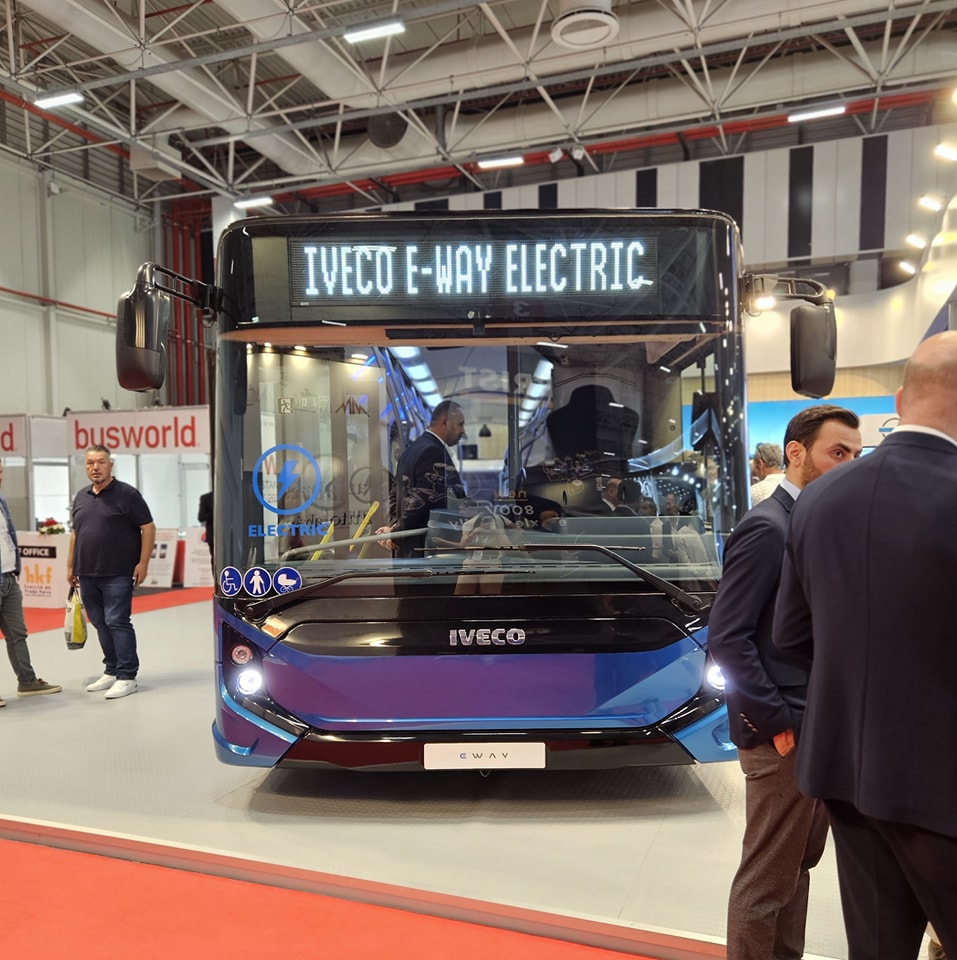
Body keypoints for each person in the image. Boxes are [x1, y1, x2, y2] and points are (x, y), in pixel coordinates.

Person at [773, 332, 957, 960]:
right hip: (943, 776)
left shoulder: (819, 497)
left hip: (847, 770)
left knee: (877, 948)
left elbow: (790, 634)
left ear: (901, 401)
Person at [707, 404, 863, 960]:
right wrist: (777, 723)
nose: (849, 465)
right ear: (796, 453)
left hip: (815, 727)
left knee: (798, 866)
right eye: (837, 452)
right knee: (767, 876)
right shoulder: (768, 527)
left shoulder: (812, 523)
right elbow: (727, 637)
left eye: (856, 454)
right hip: (784, 734)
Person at [67, 445, 155, 700]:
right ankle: (112, 669)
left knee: (117, 621)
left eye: (101, 462)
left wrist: (143, 563)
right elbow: (76, 533)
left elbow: (148, 527)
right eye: (90, 463)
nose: (95, 467)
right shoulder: (81, 497)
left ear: (110, 465)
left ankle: (127, 676)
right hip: (87, 572)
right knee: (99, 622)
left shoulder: (128, 495)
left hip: (118, 571)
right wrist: (71, 565)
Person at [0, 458, 61, 705]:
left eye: (0, 471)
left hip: (8, 577)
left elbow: (9, 536)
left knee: (17, 634)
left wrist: (15, 566)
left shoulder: (1, 501)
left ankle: (27, 681)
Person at [376, 400, 467, 558]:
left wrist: (394, 528)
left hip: (409, 550)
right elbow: (423, 500)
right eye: (460, 424)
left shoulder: (411, 451)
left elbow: (394, 495)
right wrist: (397, 533)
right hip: (427, 551)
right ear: (444, 422)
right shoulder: (433, 451)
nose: (463, 431)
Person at [197, 490, 213, 560]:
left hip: (231, 535)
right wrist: (217, 513)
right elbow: (201, 517)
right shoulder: (206, 498)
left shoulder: (231, 496)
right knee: (215, 559)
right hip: (213, 536)